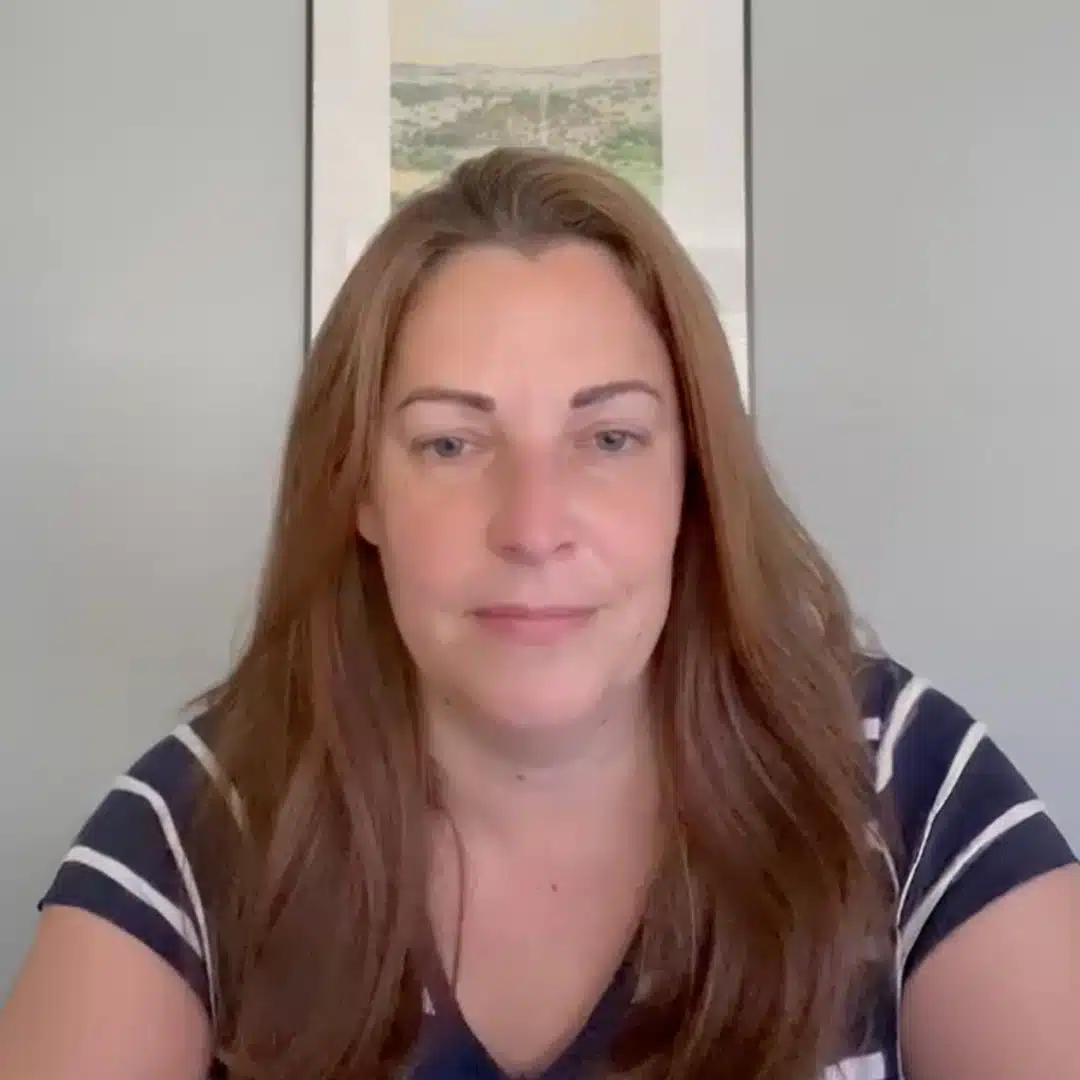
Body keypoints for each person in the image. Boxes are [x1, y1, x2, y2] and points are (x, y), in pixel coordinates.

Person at [0, 147, 1076, 1080]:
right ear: (361, 493)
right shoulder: (198, 832)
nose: (533, 525)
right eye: (450, 444)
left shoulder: (909, 787)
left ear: (692, 481)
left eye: (608, 438)